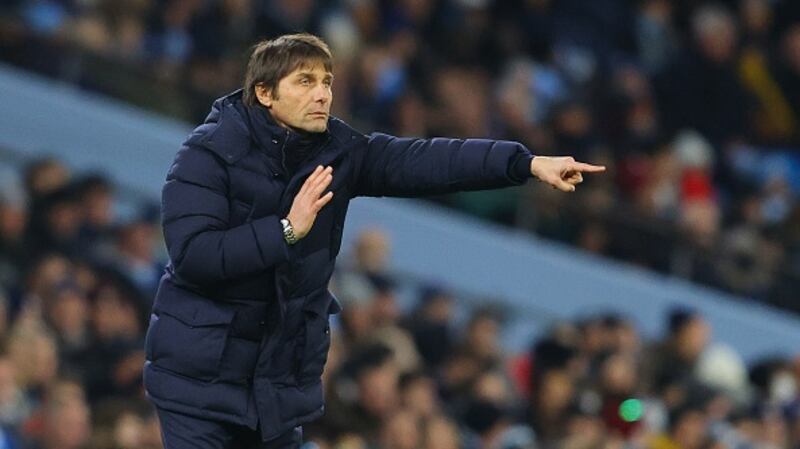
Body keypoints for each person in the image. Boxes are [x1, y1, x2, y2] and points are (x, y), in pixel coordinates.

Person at [142, 33, 605, 449]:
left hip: (274, 392)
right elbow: (194, 255)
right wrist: (286, 230)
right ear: (265, 93)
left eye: (326, 81)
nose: (322, 94)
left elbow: (427, 161)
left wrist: (524, 164)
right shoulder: (207, 154)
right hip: (197, 383)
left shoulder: (339, 151)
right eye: (305, 81)